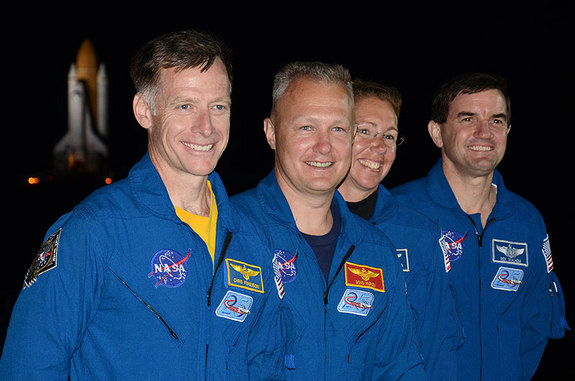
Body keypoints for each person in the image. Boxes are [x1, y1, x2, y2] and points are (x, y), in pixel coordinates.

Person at [0, 30, 284, 380]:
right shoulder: (94, 230)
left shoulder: (251, 238)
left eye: (218, 107)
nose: (206, 127)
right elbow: (29, 364)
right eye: (185, 106)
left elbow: (265, 365)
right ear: (144, 111)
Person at [231, 61, 426, 380]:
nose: (324, 146)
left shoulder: (376, 251)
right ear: (271, 133)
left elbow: (400, 367)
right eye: (306, 127)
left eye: (338, 128)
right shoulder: (228, 234)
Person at [391, 72, 568, 380]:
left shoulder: (526, 223)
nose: (484, 132)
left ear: (509, 131)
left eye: (497, 121)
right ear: (437, 133)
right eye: (468, 119)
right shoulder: (395, 215)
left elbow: (538, 324)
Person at [338, 79, 462, 380]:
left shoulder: (419, 233)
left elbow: (439, 342)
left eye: (389, 136)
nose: (379, 147)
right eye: (364, 131)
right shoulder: (300, 222)